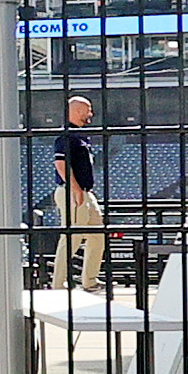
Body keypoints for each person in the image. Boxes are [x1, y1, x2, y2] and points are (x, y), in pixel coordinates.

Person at [57, 94, 107, 293]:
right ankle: (58, 284)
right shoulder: (66, 135)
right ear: (77, 111)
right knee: (72, 237)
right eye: (88, 110)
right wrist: (76, 190)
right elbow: (61, 164)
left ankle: (89, 281)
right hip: (73, 192)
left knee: (97, 236)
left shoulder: (80, 135)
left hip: (85, 192)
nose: (90, 114)